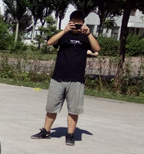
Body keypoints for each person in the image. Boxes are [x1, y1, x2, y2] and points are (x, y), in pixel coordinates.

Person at [31, 10, 100, 146]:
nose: (76, 24)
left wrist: (89, 33)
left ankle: (70, 134)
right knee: (51, 107)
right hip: (58, 77)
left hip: (76, 79)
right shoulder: (64, 35)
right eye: (73, 21)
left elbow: (97, 48)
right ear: (70, 21)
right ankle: (46, 131)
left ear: (83, 22)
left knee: (74, 109)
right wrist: (64, 30)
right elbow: (50, 42)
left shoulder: (86, 37)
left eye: (79, 21)